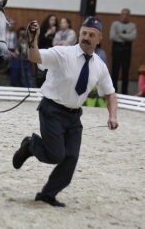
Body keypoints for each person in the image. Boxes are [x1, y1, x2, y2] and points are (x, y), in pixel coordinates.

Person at [12, 17, 118, 207]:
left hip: (74, 115)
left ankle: (47, 195)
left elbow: (110, 94)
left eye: (91, 35)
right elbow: (35, 57)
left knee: (71, 158)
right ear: (79, 33)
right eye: (84, 33)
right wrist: (32, 40)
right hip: (52, 109)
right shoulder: (63, 53)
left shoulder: (99, 66)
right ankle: (31, 145)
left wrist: (112, 116)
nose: (86, 37)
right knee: (55, 155)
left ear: (99, 38)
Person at [110, 8, 137, 94]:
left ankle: (124, 91)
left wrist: (120, 34)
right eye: (123, 14)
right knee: (115, 70)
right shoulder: (115, 24)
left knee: (125, 71)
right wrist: (126, 37)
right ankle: (113, 91)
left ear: (129, 16)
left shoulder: (132, 25)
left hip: (127, 50)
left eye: (126, 14)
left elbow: (132, 37)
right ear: (120, 15)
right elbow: (112, 36)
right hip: (117, 48)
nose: (124, 16)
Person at [36, 14, 58, 87]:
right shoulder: (43, 29)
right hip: (43, 51)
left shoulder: (57, 31)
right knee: (41, 72)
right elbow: (40, 42)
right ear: (48, 20)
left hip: (52, 53)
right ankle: (38, 87)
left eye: (54, 20)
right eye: (51, 20)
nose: (53, 21)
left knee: (49, 73)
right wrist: (48, 33)